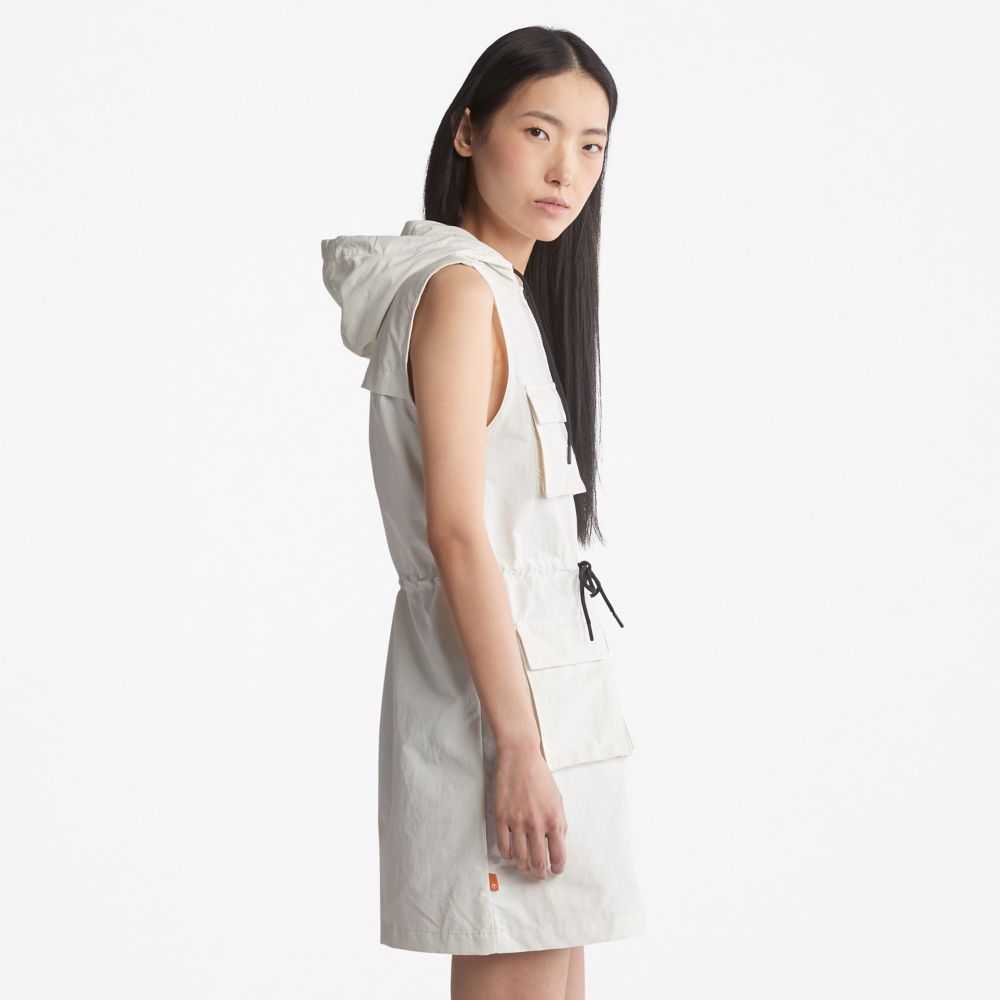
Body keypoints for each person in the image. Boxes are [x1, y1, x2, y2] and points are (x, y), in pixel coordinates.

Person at [321, 25, 644, 1000]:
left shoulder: (500, 294)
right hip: (499, 711)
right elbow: (457, 532)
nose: (566, 169)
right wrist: (516, 746)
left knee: (554, 975)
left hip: (539, 704)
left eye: (591, 144)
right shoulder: (460, 291)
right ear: (468, 132)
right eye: (538, 131)